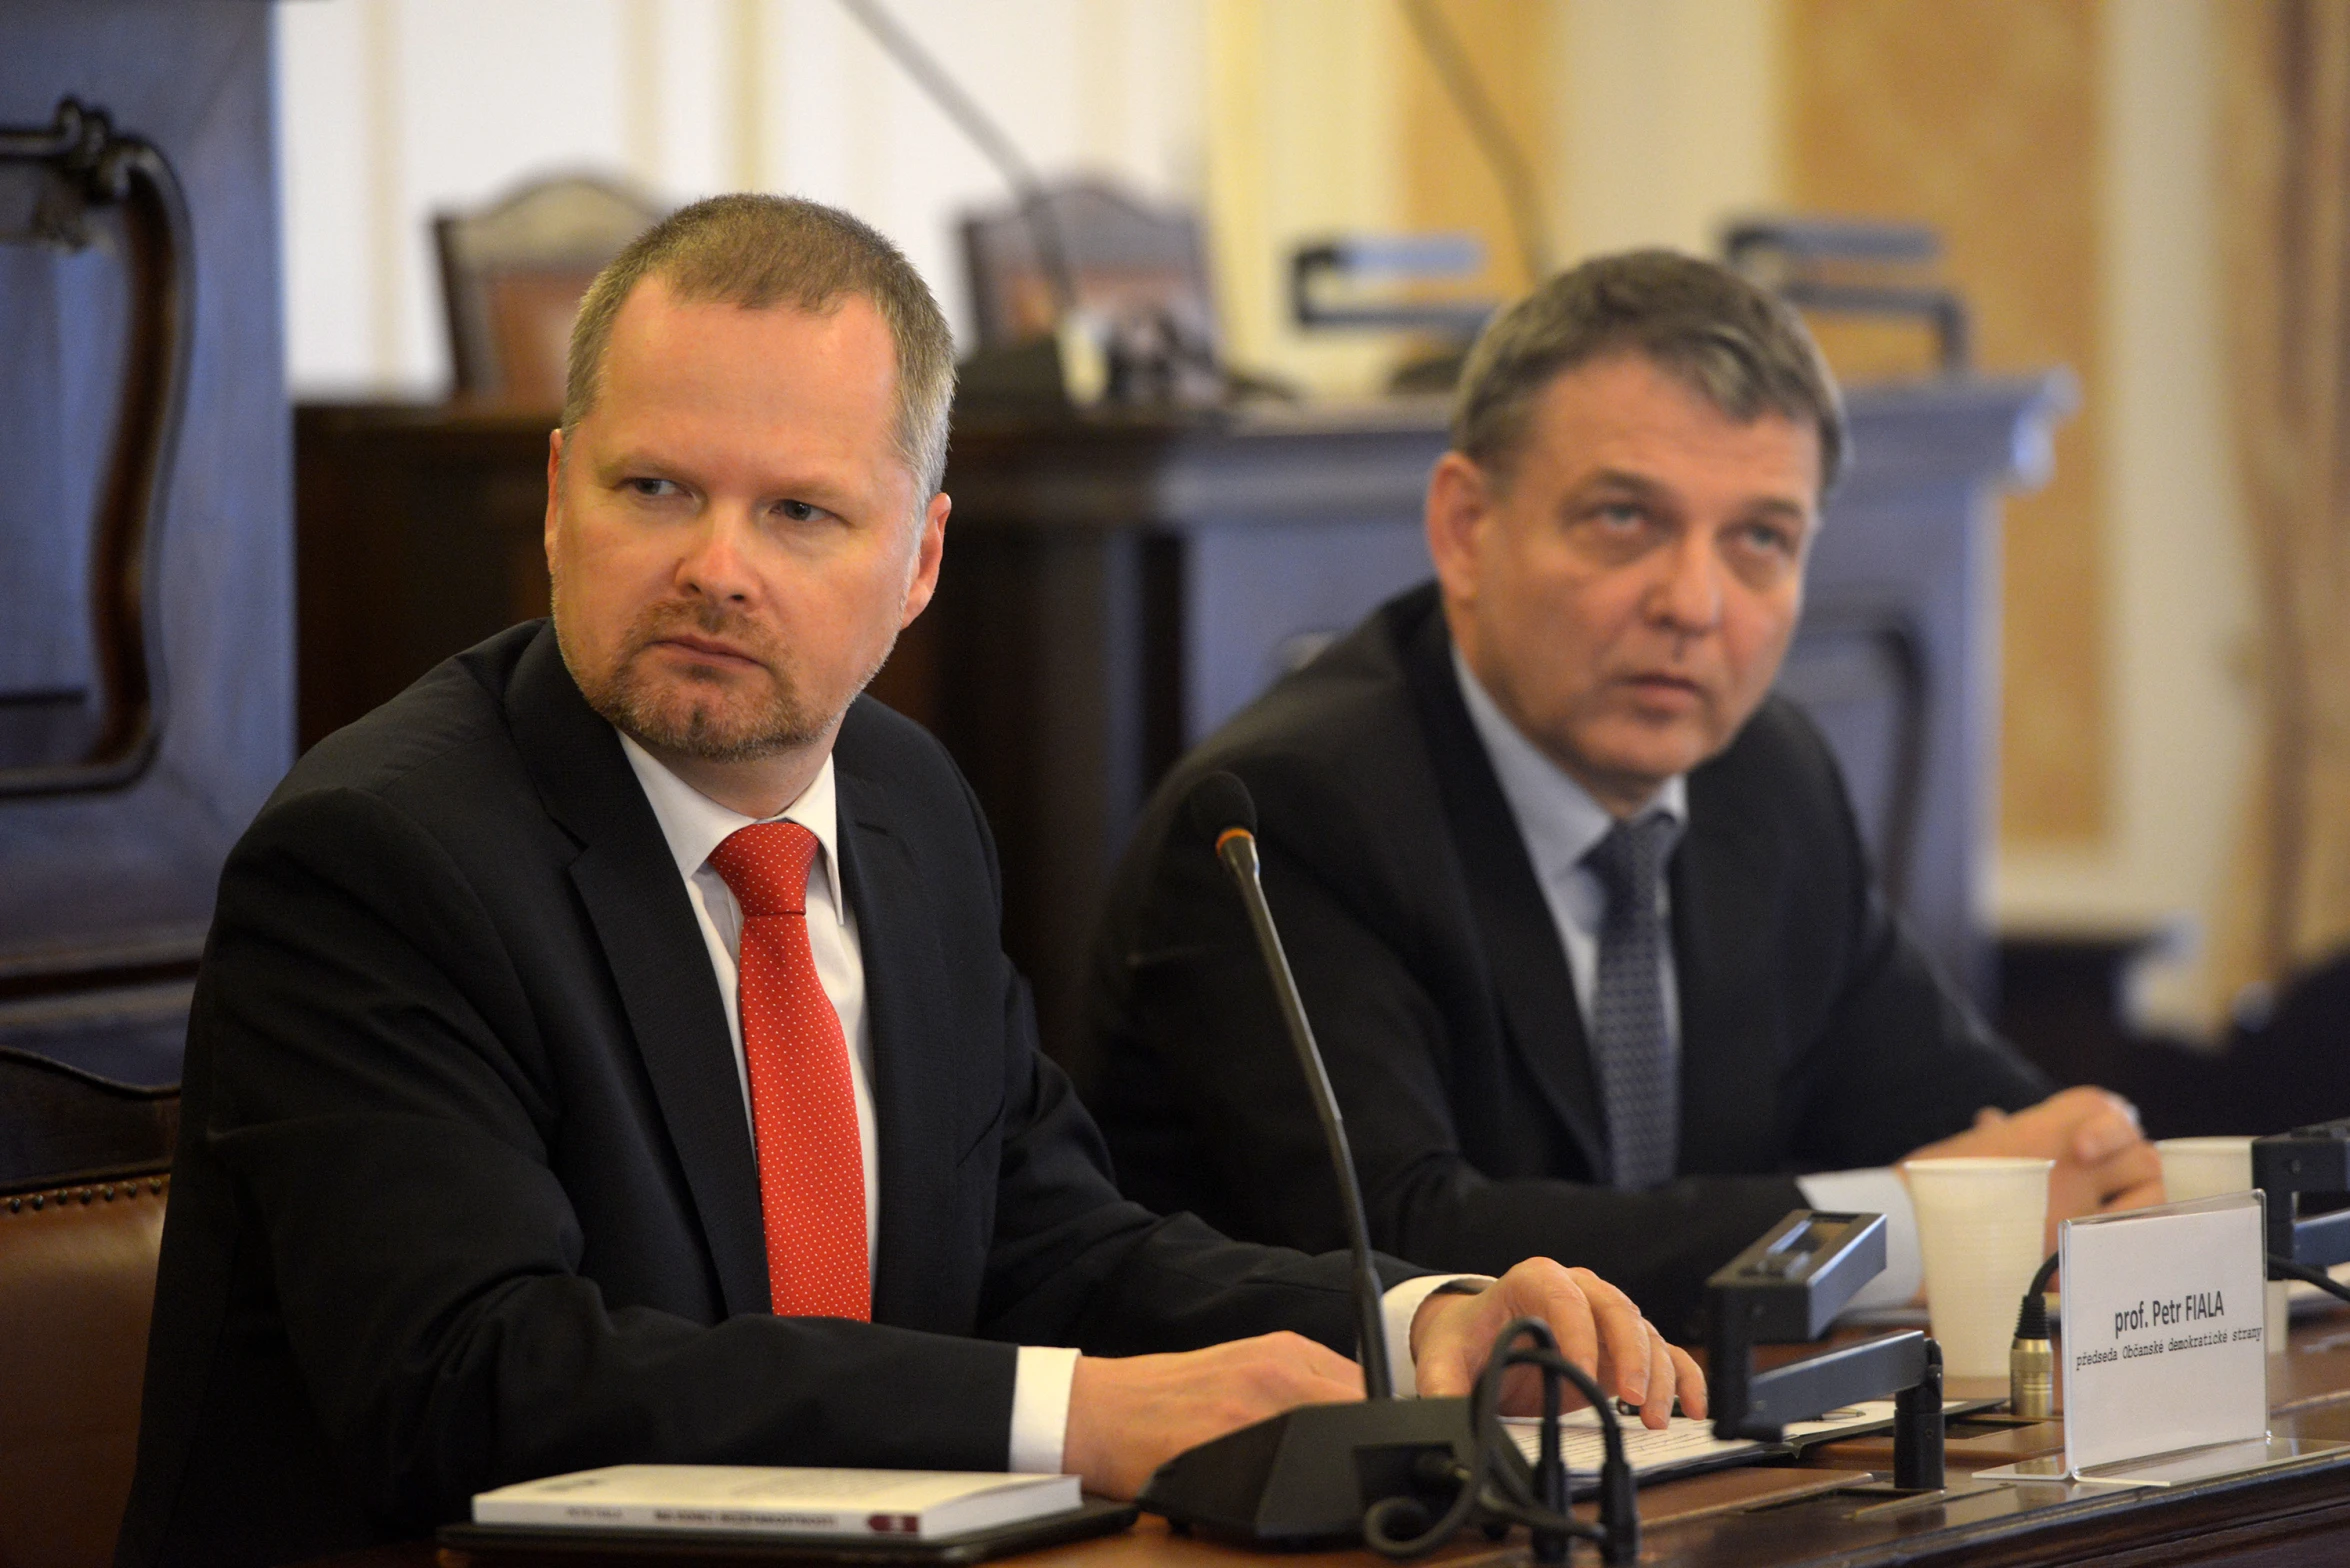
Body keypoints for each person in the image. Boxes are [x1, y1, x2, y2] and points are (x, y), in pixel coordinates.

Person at [116, 198, 1702, 1568]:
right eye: (654, 488)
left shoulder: (903, 808)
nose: (714, 565)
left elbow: (1046, 1238)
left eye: (799, 511)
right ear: (554, 497)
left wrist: (1413, 1322)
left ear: (921, 559)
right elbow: (476, 1387)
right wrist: (1073, 1415)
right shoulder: (382, 860)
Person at [1083, 250, 2163, 1338]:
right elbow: (1409, 1241)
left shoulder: (1764, 774)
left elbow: (1970, 1116)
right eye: (1622, 519)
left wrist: (2088, 1168)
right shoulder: (1289, 817)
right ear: (1465, 527)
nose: (1693, 602)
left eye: (1759, 539)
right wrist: (1909, 1223)